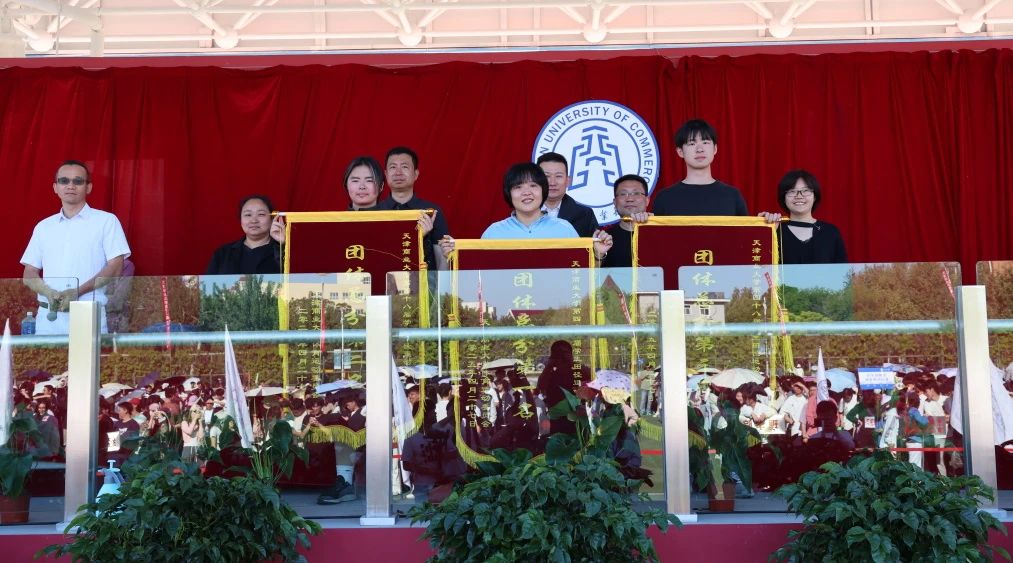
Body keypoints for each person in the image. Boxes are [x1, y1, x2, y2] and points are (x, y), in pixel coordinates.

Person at [21, 160, 131, 334]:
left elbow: (116, 268)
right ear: (55, 187)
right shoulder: (43, 227)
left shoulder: (106, 221)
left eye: (78, 181)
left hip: (87, 314)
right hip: (49, 316)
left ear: (88, 187)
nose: (70, 186)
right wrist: (48, 292)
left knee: (88, 354)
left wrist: (77, 292)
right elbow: (29, 273)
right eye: (64, 180)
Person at [437, 163, 612, 259]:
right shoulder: (494, 232)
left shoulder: (564, 229)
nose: (526, 192)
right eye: (518, 187)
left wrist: (598, 254)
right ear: (509, 193)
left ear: (543, 190)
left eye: (533, 186)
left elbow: (581, 275)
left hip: (556, 310)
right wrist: (455, 256)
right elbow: (479, 276)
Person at [651, 119, 748, 216]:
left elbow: (746, 226)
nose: (700, 149)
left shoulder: (732, 196)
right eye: (692, 144)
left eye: (705, 142)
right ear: (680, 152)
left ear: (715, 149)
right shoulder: (665, 198)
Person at [375, 146, 449, 271]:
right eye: (393, 167)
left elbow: (442, 258)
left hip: (425, 282)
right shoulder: (374, 213)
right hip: (384, 282)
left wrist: (441, 286)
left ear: (415, 174)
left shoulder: (432, 212)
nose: (398, 172)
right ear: (386, 174)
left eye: (404, 167)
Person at [767, 170, 847, 264]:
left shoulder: (831, 232)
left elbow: (842, 271)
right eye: (792, 191)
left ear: (815, 197)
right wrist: (764, 231)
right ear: (784, 198)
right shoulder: (774, 229)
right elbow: (760, 266)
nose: (799, 196)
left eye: (805, 191)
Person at [206, 195, 283, 275]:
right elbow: (209, 282)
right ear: (240, 220)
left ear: (272, 219)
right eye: (248, 215)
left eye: (261, 214)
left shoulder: (282, 251)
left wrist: (281, 245)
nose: (253, 220)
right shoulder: (223, 254)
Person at [535, 152, 599, 237]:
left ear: (568, 181)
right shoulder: (524, 212)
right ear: (536, 180)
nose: (552, 183)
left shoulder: (585, 214)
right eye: (546, 176)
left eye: (558, 176)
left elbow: (595, 244)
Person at [601, 174, 651, 268]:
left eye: (636, 193)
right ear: (615, 202)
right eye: (623, 194)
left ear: (647, 201)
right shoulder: (604, 239)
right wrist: (599, 255)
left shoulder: (660, 235)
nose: (630, 199)